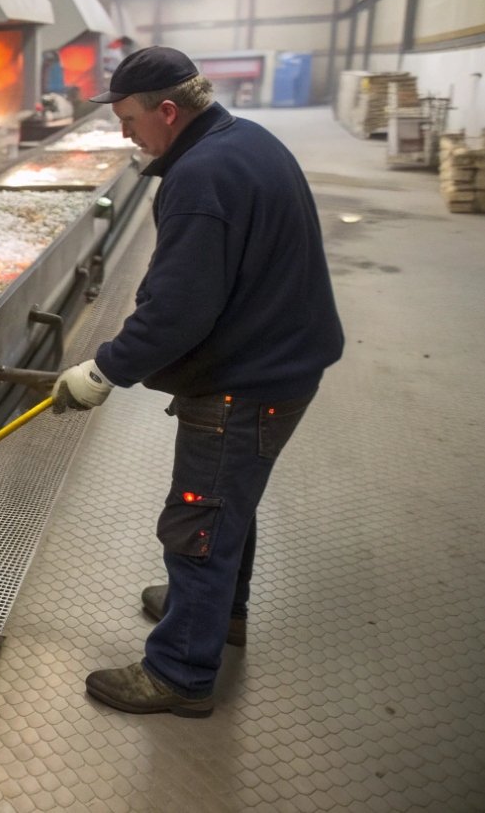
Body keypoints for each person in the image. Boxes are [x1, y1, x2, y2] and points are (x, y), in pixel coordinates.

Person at [51, 45, 343, 717]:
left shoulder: (201, 178)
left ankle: (179, 670)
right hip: (282, 360)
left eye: (128, 119)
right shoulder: (243, 141)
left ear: (166, 110)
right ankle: (217, 615)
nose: (125, 133)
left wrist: (102, 370)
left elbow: (177, 310)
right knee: (227, 502)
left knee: (199, 520)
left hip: (249, 377)